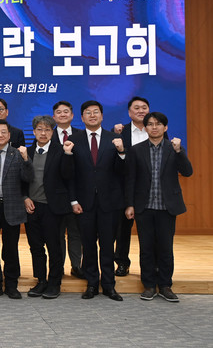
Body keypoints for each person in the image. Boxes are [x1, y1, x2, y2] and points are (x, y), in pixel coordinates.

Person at [125, 112, 193, 302]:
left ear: (165, 127)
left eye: (158, 124)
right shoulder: (136, 150)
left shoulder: (174, 148)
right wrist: (129, 204)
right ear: (145, 128)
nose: (154, 127)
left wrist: (179, 152)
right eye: (150, 124)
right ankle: (148, 285)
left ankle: (165, 285)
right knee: (146, 248)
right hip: (144, 207)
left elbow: (187, 172)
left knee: (165, 248)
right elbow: (130, 179)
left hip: (166, 207)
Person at [62, 100, 126, 302]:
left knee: (107, 245)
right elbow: (69, 175)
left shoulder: (115, 139)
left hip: (109, 203)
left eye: (96, 112)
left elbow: (123, 173)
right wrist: (73, 200)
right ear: (82, 117)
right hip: (84, 203)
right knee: (88, 245)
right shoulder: (74, 140)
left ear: (102, 116)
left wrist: (122, 153)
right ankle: (91, 284)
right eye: (88, 113)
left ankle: (109, 285)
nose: (92, 115)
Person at [0, 119, 33, 299]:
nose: (0, 135)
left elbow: (28, 178)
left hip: (11, 206)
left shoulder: (17, 154)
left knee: (10, 248)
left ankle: (11, 284)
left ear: (9, 135)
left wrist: (26, 159)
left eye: (4, 132)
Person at [113, 96, 163, 277]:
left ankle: (153, 265)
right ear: (129, 112)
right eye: (136, 108)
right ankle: (122, 263)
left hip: (150, 189)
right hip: (124, 187)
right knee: (122, 229)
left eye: (144, 107)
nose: (141, 111)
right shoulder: (120, 132)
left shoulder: (157, 131)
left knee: (151, 230)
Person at [23, 115, 72, 299]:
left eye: (47, 130)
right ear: (34, 132)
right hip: (32, 207)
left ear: (53, 132)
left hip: (53, 207)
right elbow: (21, 179)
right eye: (39, 130)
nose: (43, 133)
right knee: (36, 247)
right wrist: (25, 197)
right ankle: (41, 280)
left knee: (54, 247)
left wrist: (68, 155)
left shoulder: (61, 150)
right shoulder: (27, 152)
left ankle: (54, 282)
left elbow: (68, 175)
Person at [52, 100, 85, 279]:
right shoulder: (47, 135)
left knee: (75, 232)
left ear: (72, 115)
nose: (63, 114)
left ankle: (76, 266)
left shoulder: (81, 135)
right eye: (59, 112)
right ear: (54, 116)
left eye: (66, 111)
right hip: (55, 194)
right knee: (57, 234)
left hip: (77, 193)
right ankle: (58, 267)